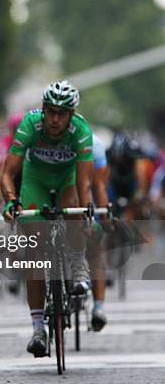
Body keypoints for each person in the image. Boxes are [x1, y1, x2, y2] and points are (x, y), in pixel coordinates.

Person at [0, 80, 94, 357]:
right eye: (50, 111)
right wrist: (10, 201)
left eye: (62, 113)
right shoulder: (30, 125)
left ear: (71, 114)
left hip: (67, 181)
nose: (55, 119)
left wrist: (87, 213)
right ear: (42, 109)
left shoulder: (81, 130)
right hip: (35, 181)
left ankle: (78, 262)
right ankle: (38, 327)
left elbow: (84, 183)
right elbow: (8, 173)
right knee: (35, 253)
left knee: (73, 206)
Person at [88, 133, 109, 331]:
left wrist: (103, 217)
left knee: (94, 246)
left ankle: (98, 306)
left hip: (85, 193)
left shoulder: (95, 145)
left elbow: (99, 185)